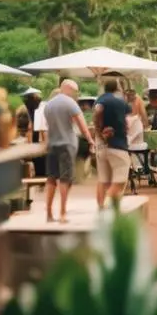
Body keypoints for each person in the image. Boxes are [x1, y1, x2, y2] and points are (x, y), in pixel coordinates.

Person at [42, 79, 94, 223]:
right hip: (67, 145)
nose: (75, 95)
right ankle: (62, 213)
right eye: (75, 91)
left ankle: (49, 213)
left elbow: (48, 126)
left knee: (51, 178)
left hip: (52, 145)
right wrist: (90, 140)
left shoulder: (48, 105)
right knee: (65, 179)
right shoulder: (70, 103)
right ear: (69, 89)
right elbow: (82, 125)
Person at [92, 79, 131, 207]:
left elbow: (97, 113)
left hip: (101, 146)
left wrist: (99, 132)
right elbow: (127, 122)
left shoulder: (99, 100)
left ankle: (101, 209)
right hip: (117, 144)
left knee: (103, 180)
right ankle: (110, 205)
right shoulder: (119, 101)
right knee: (120, 181)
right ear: (117, 88)